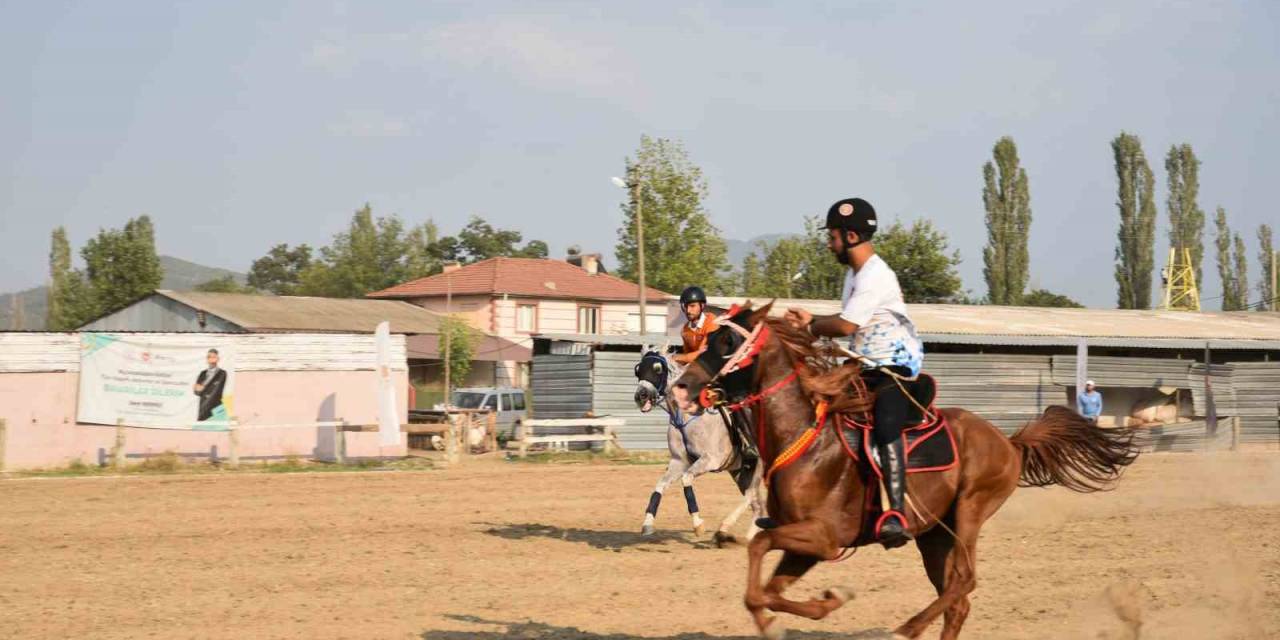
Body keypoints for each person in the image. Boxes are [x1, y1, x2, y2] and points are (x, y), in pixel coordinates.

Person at [783, 197, 923, 549]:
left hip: (894, 370)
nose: (829, 244)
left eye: (831, 237)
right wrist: (811, 326)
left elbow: (846, 324)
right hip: (864, 366)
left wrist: (811, 326)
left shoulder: (876, 276)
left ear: (850, 236)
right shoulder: (853, 275)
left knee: (886, 422)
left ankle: (896, 512)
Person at [674, 286, 718, 366]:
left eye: (692, 306)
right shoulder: (685, 330)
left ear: (702, 306)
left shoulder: (712, 321)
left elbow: (703, 355)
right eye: (685, 306)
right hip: (698, 368)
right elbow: (686, 358)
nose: (688, 311)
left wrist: (675, 357)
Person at [193, 348, 227, 422]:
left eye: (213, 357)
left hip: (216, 408)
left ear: (218, 359)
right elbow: (196, 392)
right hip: (203, 408)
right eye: (209, 357)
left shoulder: (222, 373)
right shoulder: (202, 373)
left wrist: (202, 387)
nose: (211, 359)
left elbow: (216, 391)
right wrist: (200, 388)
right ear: (207, 359)